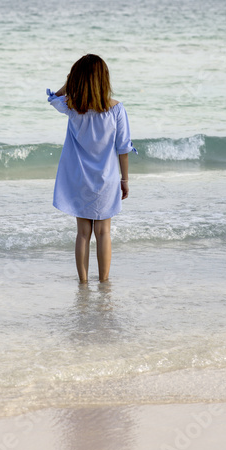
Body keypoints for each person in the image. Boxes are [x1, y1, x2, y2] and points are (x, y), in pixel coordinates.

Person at [46, 54, 137, 284]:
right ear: (104, 79)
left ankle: (83, 283)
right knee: (104, 232)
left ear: (79, 80)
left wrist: (67, 84)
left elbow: (53, 98)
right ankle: (104, 283)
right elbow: (123, 147)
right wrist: (124, 180)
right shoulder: (116, 110)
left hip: (80, 180)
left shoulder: (74, 108)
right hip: (106, 180)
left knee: (83, 233)